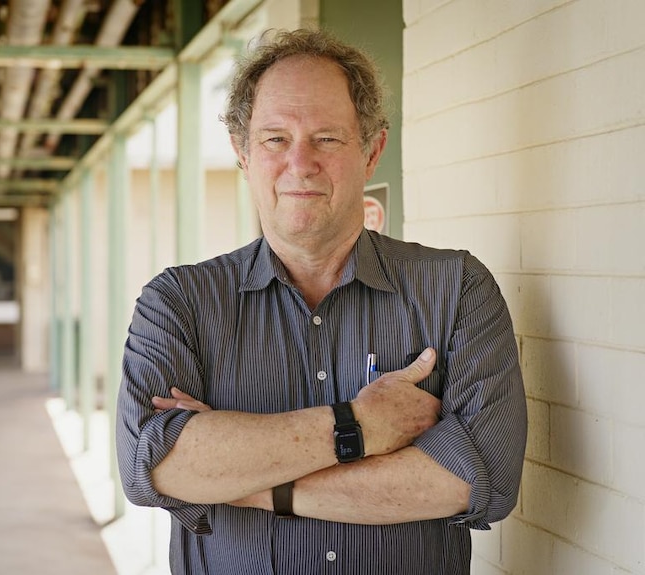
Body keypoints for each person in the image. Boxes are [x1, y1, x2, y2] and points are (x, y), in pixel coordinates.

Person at [116, 28, 527, 575]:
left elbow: (480, 477)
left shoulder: (456, 290)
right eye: (274, 139)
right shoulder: (179, 303)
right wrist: (358, 424)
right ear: (242, 153)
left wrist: (241, 476)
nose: (300, 162)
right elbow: (152, 465)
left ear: (372, 151)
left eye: (327, 138)